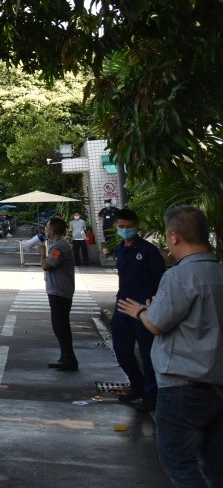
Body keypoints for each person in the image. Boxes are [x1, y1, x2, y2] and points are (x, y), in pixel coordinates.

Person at [117, 206, 222, 488]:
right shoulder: (219, 272)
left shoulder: (179, 276)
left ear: (174, 237)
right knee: (215, 464)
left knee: (179, 463)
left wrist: (142, 311)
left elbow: (156, 324)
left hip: (182, 384)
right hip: (216, 382)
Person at [108, 208, 166, 412]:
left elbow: (160, 279)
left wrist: (151, 305)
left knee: (147, 353)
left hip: (143, 309)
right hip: (123, 306)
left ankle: (151, 394)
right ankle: (137, 384)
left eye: (129, 227)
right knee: (121, 349)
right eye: (121, 226)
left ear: (137, 226)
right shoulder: (120, 249)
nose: (125, 230)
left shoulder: (148, 250)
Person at [39, 216, 77, 370]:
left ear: (53, 231)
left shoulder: (59, 248)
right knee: (61, 325)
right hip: (58, 290)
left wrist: (42, 253)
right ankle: (66, 357)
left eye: (47, 228)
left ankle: (68, 359)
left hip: (60, 291)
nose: (46, 231)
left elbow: (46, 266)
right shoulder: (58, 245)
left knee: (60, 326)